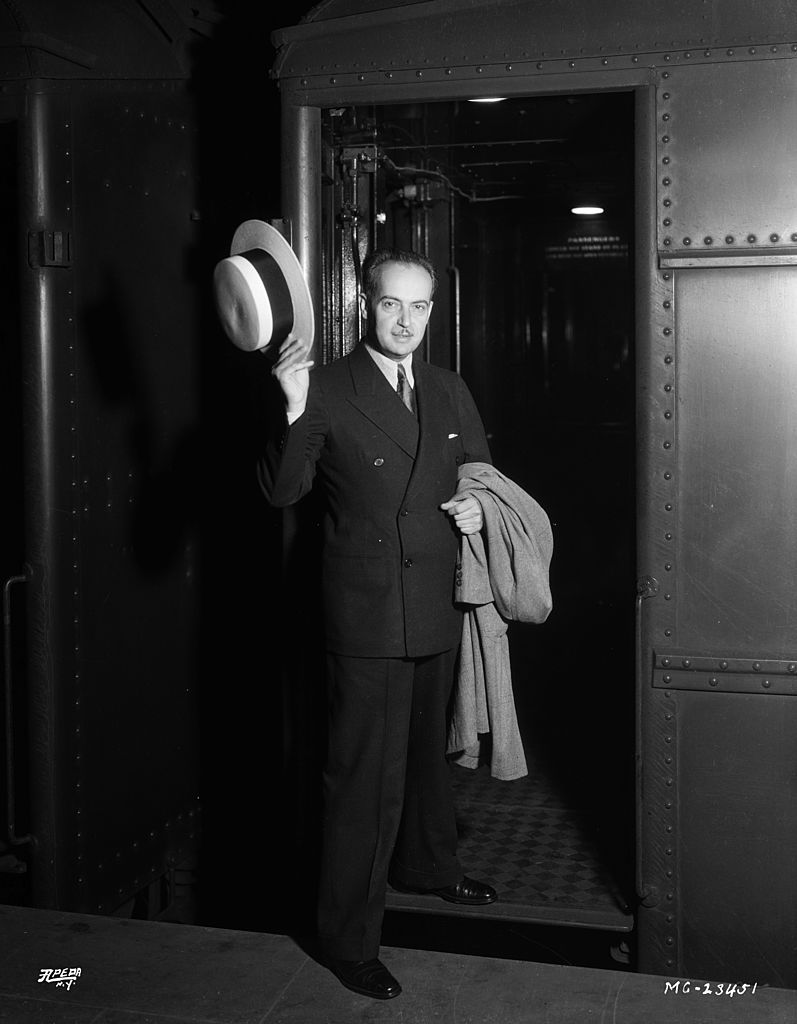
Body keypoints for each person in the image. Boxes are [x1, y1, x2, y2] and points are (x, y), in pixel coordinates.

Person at [259, 247, 497, 1000]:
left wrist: (475, 505)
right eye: (391, 304)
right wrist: (293, 405)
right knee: (362, 780)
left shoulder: (448, 387)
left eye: (419, 306)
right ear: (364, 304)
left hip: (437, 603)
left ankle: (429, 867)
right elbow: (280, 490)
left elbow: (479, 475)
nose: (405, 320)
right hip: (365, 615)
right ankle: (348, 937)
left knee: (426, 758)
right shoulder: (326, 386)